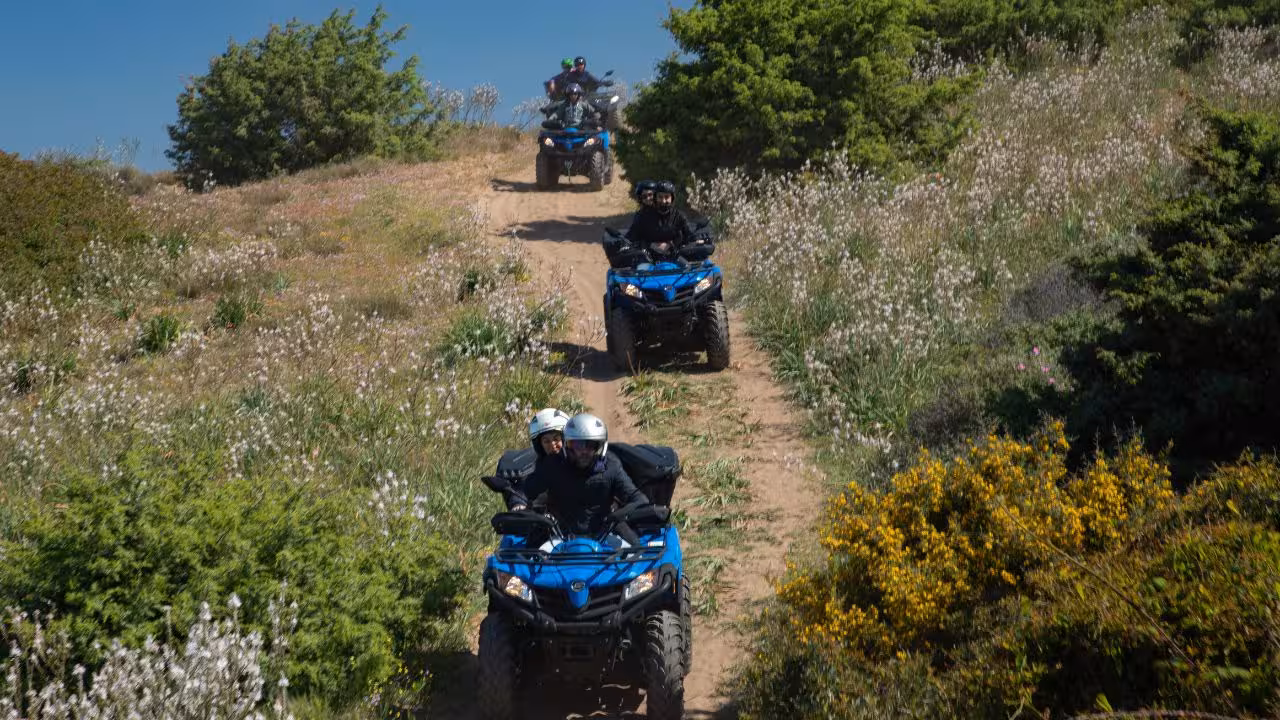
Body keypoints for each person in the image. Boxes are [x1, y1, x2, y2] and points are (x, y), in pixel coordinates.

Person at [507, 412, 649, 537]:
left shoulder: (611, 466)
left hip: (606, 532)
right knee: (521, 561)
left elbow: (638, 499)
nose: (584, 451)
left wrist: (617, 516)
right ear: (567, 444)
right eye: (577, 444)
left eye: (590, 445)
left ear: (600, 446)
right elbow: (527, 490)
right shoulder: (552, 464)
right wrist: (518, 502)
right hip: (559, 534)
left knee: (641, 560)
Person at [626, 180, 699, 261]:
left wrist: (697, 240)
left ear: (672, 198)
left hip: (675, 256)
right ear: (656, 198)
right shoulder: (642, 216)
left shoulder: (678, 215)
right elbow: (631, 237)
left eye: (666, 197)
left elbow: (689, 234)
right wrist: (650, 245)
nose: (663, 201)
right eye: (660, 197)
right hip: (648, 258)